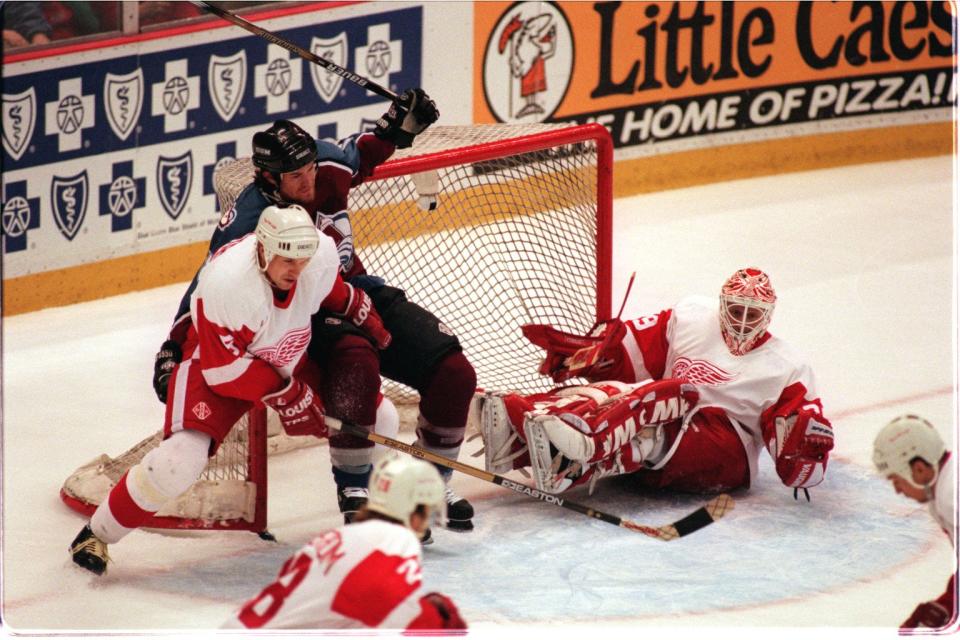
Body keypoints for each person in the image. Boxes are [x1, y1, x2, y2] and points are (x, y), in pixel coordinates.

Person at [152, 90, 477, 538]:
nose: (308, 183)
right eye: (295, 177)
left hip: (355, 289)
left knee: (454, 372)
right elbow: (209, 286)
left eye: (309, 171)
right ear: (268, 177)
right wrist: (173, 342)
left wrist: (400, 125)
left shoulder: (323, 164)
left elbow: (361, 156)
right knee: (357, 364)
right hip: (304, 306)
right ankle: (356, 495)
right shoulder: (250, 219)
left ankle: (427, 488)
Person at [70, 204, 393, 575]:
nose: (296, 269)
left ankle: (372, 520)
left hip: (285, 354)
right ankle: (98, 533)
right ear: (263, 249)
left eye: (302, 258)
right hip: (214, 364)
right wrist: (289, 398)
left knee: (380, 417)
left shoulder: (316, 253)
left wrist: (360, 311)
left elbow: (330, 288)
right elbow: (224, 372)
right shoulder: (226, 283)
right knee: (177, 463)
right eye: (286, 259)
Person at [476, 267, 835, 498]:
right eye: (736, 310)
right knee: (614, 393)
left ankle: (586, 452)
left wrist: (804, 455)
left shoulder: (787, 367)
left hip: (726, 454)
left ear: (768, 314)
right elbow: (636, 355)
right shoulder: (692, 316)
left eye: (752, 313)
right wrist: (600, 355)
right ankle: (520, 429)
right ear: (722, 303)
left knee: (670, 393)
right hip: (665, 420)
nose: (742, 321)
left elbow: (798, 460)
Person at [222, 454, 466, 630]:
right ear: (417, 511)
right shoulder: (395, 540)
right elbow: (395, 615)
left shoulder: (335, 538)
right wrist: (436, 619)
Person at [873, 414, 956, 630]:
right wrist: (948, 605)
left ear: (919, 469)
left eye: (896, 480)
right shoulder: (943, 490)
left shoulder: (951, 495)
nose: (897, 490)